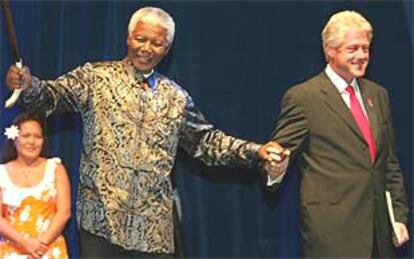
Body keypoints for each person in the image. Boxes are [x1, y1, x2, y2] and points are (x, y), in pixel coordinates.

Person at [6, 6, 278, 257]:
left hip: (153, 231)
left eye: (156, 43)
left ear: (167, 49)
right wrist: (29, 85)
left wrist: (255, 151)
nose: (146, 48)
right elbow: (52, 96)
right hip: (102, 223)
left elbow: (206, 142)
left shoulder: (176, 98)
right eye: (140, 39)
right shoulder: (96, 78)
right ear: (128, 38)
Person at [265, 10, 409, 257]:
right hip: (333, 234)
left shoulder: (378, 95)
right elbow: (277, 153)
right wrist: (274, 170)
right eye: (353, 49)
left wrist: (398, 215)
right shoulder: (304, 98)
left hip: (380, 231)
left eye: (366, 48)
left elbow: (389, 163)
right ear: (330, 50)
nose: (362, 56)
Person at [0, 112, 71, 259]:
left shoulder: (55, 168)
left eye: (37, 137)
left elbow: (64, 212)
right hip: (12, 250)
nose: (32, 141)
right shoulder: (1, 172)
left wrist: (40, 245)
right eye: (26, 136)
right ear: (14, 139)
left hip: (48, 249)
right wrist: (25, 243)